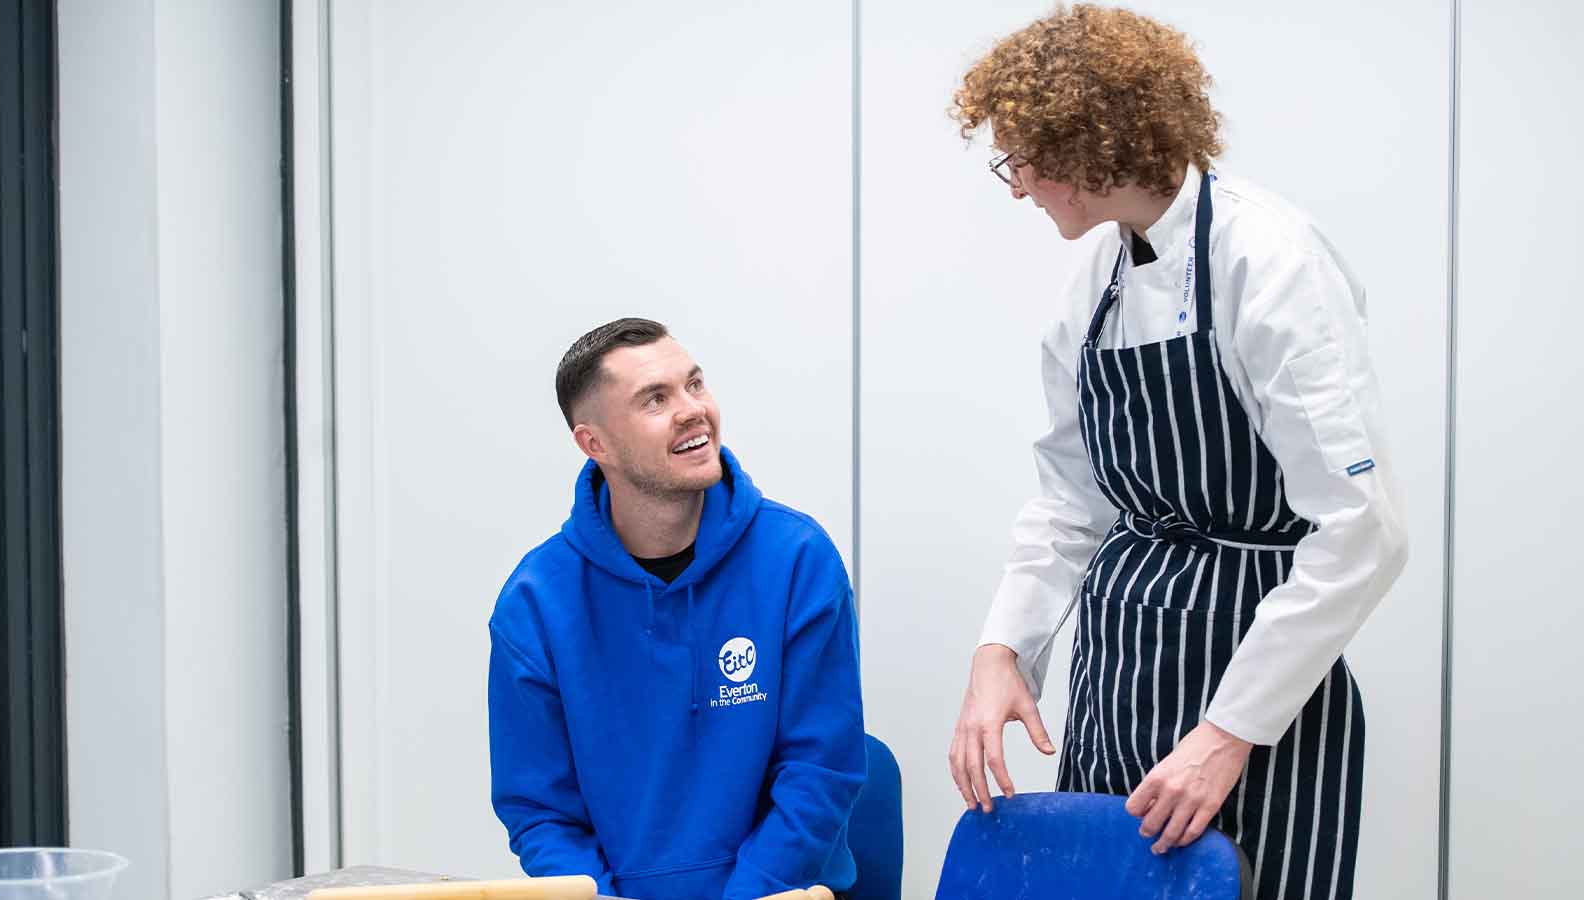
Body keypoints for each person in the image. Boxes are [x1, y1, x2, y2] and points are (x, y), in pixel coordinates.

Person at [945, 6, 1408, 899]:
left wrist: (1229, 732)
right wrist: (1001, 650)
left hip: (1258, 686)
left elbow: (1364, 528)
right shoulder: (1097, 280)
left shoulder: (1269, 261)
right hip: (1121, 670)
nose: (1018, 188)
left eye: (1022, 159)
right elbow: (1071, 500)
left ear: (1089, 145)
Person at [488, 318, 865, 900]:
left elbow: (820, 772)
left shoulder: (797, 559)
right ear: (595, 444)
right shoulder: (535, 603)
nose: (693, 410)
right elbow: (541, 811)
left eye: (694, 384)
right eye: (655, 399)